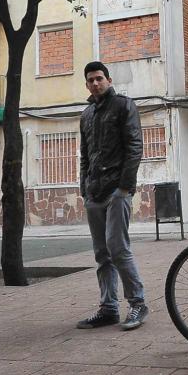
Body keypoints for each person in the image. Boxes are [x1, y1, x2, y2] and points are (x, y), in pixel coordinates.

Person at [76, 61, 148, 332]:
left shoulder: (123, 106)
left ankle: (138, 303)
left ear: (108, 79)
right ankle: (108, 308)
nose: (95, 83)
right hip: (94, 193)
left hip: (117, 191)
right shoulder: (86, 115)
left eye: (99, 78)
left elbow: (134, 146)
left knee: (118, 248)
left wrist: (125, 187)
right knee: (101, 254)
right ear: (86, 85)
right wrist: (85, 188)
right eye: (90, 80)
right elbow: (85, 155)